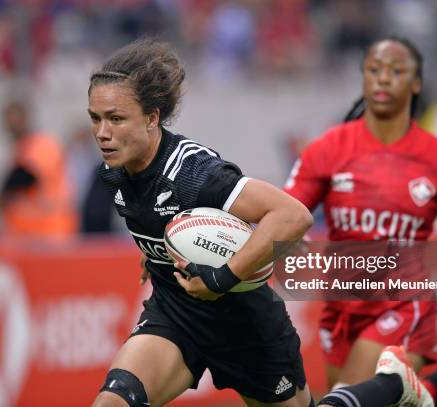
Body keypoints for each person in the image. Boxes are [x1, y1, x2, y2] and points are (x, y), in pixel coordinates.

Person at [88, 38, 315, 407]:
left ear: (151, 118)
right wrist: (158, 253)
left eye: (116, 118)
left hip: (246, 328)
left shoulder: (194, 173)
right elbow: (164, 220)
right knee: (111, 403)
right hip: (175, 318)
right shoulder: (114, 173)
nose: (102, 133)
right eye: (95, 118)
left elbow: (293, 216)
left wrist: (221, 277)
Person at [284, 37, 437, 406]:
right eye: (374, 70)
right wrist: (288, 236)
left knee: (347, 401)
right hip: (342, 303)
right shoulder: (327, 149)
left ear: (415, 83)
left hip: (405, 302)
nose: (383, 79)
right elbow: (288, 211)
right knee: (368, 399)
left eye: (396, 70)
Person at [0, 97, 78, 241]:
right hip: (28, 237)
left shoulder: (42, 144)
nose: (11, 124)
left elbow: (24, 176)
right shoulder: (20, 150)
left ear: (26, 117)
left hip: (49, 235)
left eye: (15, 117)